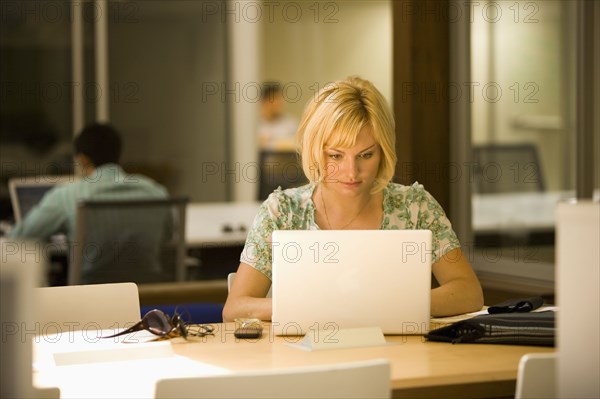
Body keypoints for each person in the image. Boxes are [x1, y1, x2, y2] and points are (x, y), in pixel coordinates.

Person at [223, 76, 483, 321]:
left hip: (400, 360)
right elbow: (236, 309)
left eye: (366, 155)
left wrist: (392, 306)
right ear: (315, 151)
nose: (351, 172)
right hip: (305, 359)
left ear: (384, 152)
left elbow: (468, 292)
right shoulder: (281, 212)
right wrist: (317, 307)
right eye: (336, 156)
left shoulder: (415, 207)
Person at [8, 123, 168, 241]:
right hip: (143, 286)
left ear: (83, 159)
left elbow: (19, 238)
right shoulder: (155, 192)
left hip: (92, 287)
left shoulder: (67, 196)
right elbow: (168, 234)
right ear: (118, 153)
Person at [257, 82, 298, 151]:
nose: (278, 103)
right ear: (264, 101)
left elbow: (298, 144)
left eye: (279, 99)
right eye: (274, 99)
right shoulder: (255, 124)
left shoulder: (290, 122)